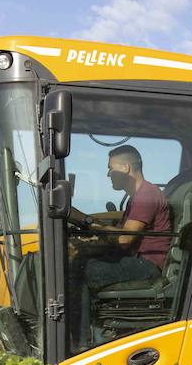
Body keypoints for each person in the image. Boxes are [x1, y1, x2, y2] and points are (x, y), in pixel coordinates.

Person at [68, 145, 174, 346]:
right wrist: (89, 244)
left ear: (125, 168)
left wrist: (86, 220)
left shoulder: (146, 196)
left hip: (147, 264)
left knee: (82, 270)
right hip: (137, 259)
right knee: (82, 259)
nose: (108, 174)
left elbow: (125, 239)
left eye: (110, 168)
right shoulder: (139, 196)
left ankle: (80, 343)